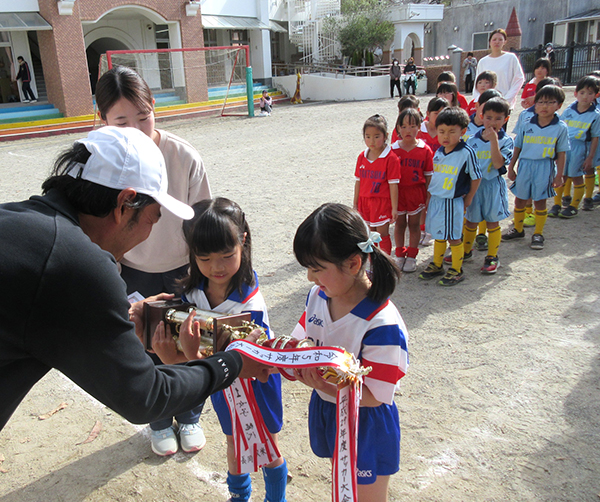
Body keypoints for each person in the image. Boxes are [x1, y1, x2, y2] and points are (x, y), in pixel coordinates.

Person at [0, 126, 270, 433]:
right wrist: (231, 363)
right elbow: (146, 397)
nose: (149, 232)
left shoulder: (18, 220)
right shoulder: (77, 265)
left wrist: (123, 315)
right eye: (154, 218)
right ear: (125, 204)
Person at [95, 66, 212, 455]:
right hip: (131, 272)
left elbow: (203, 223)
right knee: (146, 348)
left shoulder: (183, 156)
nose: (137, 130)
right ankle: (160, 420)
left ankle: (191, 415)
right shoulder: (99, 163)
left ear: (154, 107)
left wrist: (205, 276)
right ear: (103, 121)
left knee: (189, 344)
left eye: (143, 117)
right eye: (122, 121)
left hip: (182, 270)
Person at [152, 198, 287, 502]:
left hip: (255, 384)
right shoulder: (192, 292)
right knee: (234, 441)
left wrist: (183, 357)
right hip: (221, 382)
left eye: (227, 255)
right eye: (205, 258)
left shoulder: (249, 304)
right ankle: (239, 495)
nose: (217, 267)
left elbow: (244, 358)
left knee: (265, 444)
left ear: (243, 242)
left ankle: (276, 498)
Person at [291, 202, 408, 502]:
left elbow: (376, 394)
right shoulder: (319, 296)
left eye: (317, 269)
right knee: (343, 489)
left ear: (354, 264)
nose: (310, 278)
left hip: (364, 422)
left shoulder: (382, 322)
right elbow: (302, 336)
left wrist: (321, 381)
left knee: (365, 497)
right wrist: (301, 352)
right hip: (331, 408)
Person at [418, 107, 482, 286]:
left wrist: (469, 198)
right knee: (439, 234)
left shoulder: (466, 152)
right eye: (441, 131)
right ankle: (437, 264)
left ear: (462, 132)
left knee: (454, 236)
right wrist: (430, 196)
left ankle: (456, 269)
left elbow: (477, 177)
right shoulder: (439, 152)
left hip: (453, 202)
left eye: (451, 132)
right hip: (438, 200)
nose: (445, 136)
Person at [502, 85, 570, 250]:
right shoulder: (527, 123)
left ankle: (538, 233)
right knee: (520, 199)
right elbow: (517, 146)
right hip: (525, 165)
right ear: (535, 103)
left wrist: (559, 174)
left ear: (559, 105)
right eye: (540, 102)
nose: (544, 106)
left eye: (550, 102)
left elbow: (561, 153)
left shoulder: (560, 127)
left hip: (544, 166)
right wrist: (511, 167)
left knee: (540, 201)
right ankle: (518, 229)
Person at [461, 97, 513, 274]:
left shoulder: (506, 141)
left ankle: (492, 257)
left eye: (498, 118)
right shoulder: (471, 141)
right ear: (481, 117)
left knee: (492, 222)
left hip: (492, 186)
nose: (493, 122)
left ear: (505, 119)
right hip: (474, 188)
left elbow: (499, 164)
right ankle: (466, 252)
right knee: (471, 221)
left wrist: (494, 141)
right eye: (489, 117)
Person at [390, 108, 433, 272]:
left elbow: (429, 175)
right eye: (404, 126)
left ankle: (412, 255)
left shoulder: (424, 149)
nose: (409, 130)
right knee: (400, 224)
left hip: (416, 193)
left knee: (414, 225)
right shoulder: (393, 150)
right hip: (398, 194)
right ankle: (400, 253)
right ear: (398, 128)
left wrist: (428, 196)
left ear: (419, 127)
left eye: (413, 126)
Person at [551, 76, 600, 217]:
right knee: (562, 175)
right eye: (582, 92)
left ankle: (574, 206)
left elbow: (595, 137)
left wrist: (590, 157)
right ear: (575, 93)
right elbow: (559, 129)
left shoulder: (595, 116)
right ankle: (557, 204)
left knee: (576, 176)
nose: (585, 96)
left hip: (580, 148)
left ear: (596, 95)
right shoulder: (569, 110)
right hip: (565, 147)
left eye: (590, 93)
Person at [353, 114, 400, 255]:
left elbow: (393, 185)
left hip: (381, 202)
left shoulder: (391, 158)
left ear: (386, 136)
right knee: (368, 235)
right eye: (368, 136)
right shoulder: (362, 157)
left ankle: (385, 264)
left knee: (382, 235)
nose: (371, 140)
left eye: (376, 136)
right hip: (365, 202)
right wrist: (355, 204)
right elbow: (358, 182)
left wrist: (394, 208)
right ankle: (373, 264)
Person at [417, 97, 449, 247]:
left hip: (440, 175)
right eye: (436, 113)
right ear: (428, 113)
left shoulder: (446, 132)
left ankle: (431, 231)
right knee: (422, 203)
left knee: (434, 204)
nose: (440, 116)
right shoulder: (419, 129)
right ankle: (422, 229)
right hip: (421, 174)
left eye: (444, 113)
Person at [473, 29, 525, 110]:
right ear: (489, 42)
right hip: (485, 104)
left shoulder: (511, 58)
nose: (497, 42)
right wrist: (478, 101)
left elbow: (519, 79)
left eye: (500, 39)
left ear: (505, 42)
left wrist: (507, 99)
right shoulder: (483, 61)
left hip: (504, 103)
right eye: (494, 39)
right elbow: (477, 83)